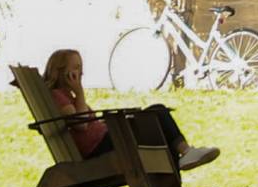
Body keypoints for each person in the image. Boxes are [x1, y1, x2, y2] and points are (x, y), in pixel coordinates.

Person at [42, 48, 219, 170]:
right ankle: (186, 152)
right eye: (76, 67)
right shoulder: (58, 96)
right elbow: (80, 125)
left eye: (81, 67)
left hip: (109, 138)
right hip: (101, 147)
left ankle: (185, 156)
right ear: (60, 70)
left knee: (157, 126)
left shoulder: (69, 96)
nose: (80, 72)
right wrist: (79, 91)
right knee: (156, 112)